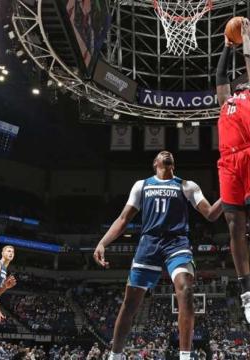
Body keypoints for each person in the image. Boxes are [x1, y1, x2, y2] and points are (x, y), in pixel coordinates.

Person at [93, 151, 223, 360]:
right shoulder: (141, 185)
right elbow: (124, 218)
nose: (166, 153)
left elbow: (211, 214)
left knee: (186, 289)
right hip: (149, 244)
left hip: (177, 243)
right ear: (155, 163)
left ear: (174, 164)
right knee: (130, 304)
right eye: (161, 154)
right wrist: (102, 242)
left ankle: (185, 356)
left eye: (169, 153)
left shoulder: (187, 185)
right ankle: (115, 356)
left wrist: (229, 194)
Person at [215, 17, 250, 325]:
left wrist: (246, 38)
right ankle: (246, 292)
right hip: (228, 160)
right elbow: (221, 74)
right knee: (235, 225)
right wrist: (226, 45)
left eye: (245, 81)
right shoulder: (225, 102)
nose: (241, 82)